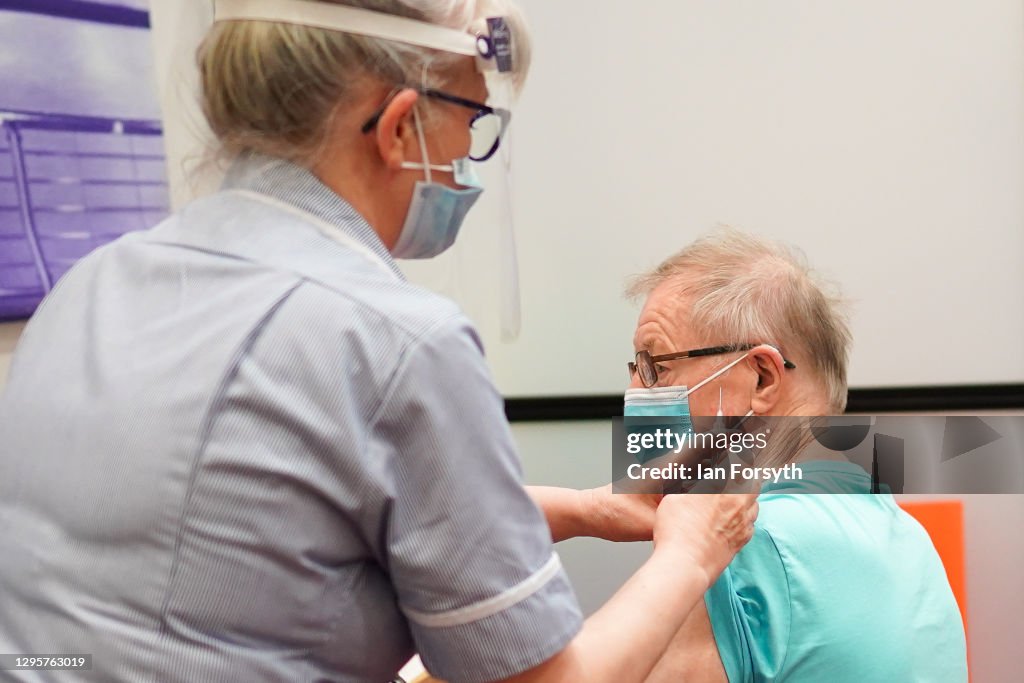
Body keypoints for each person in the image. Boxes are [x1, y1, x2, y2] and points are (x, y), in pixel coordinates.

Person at [0, 2, 758, 682]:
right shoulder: (396, 341)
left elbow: (300, 514)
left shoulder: (92, 282)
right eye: (470, 126)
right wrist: (694, 551)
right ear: (398, 127)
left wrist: (590, 509)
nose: (468, 161)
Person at [623, 229, 969, 682]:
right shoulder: (909, 538)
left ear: (763, 378)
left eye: (657, 367)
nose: (635, 391)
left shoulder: (735, 546)